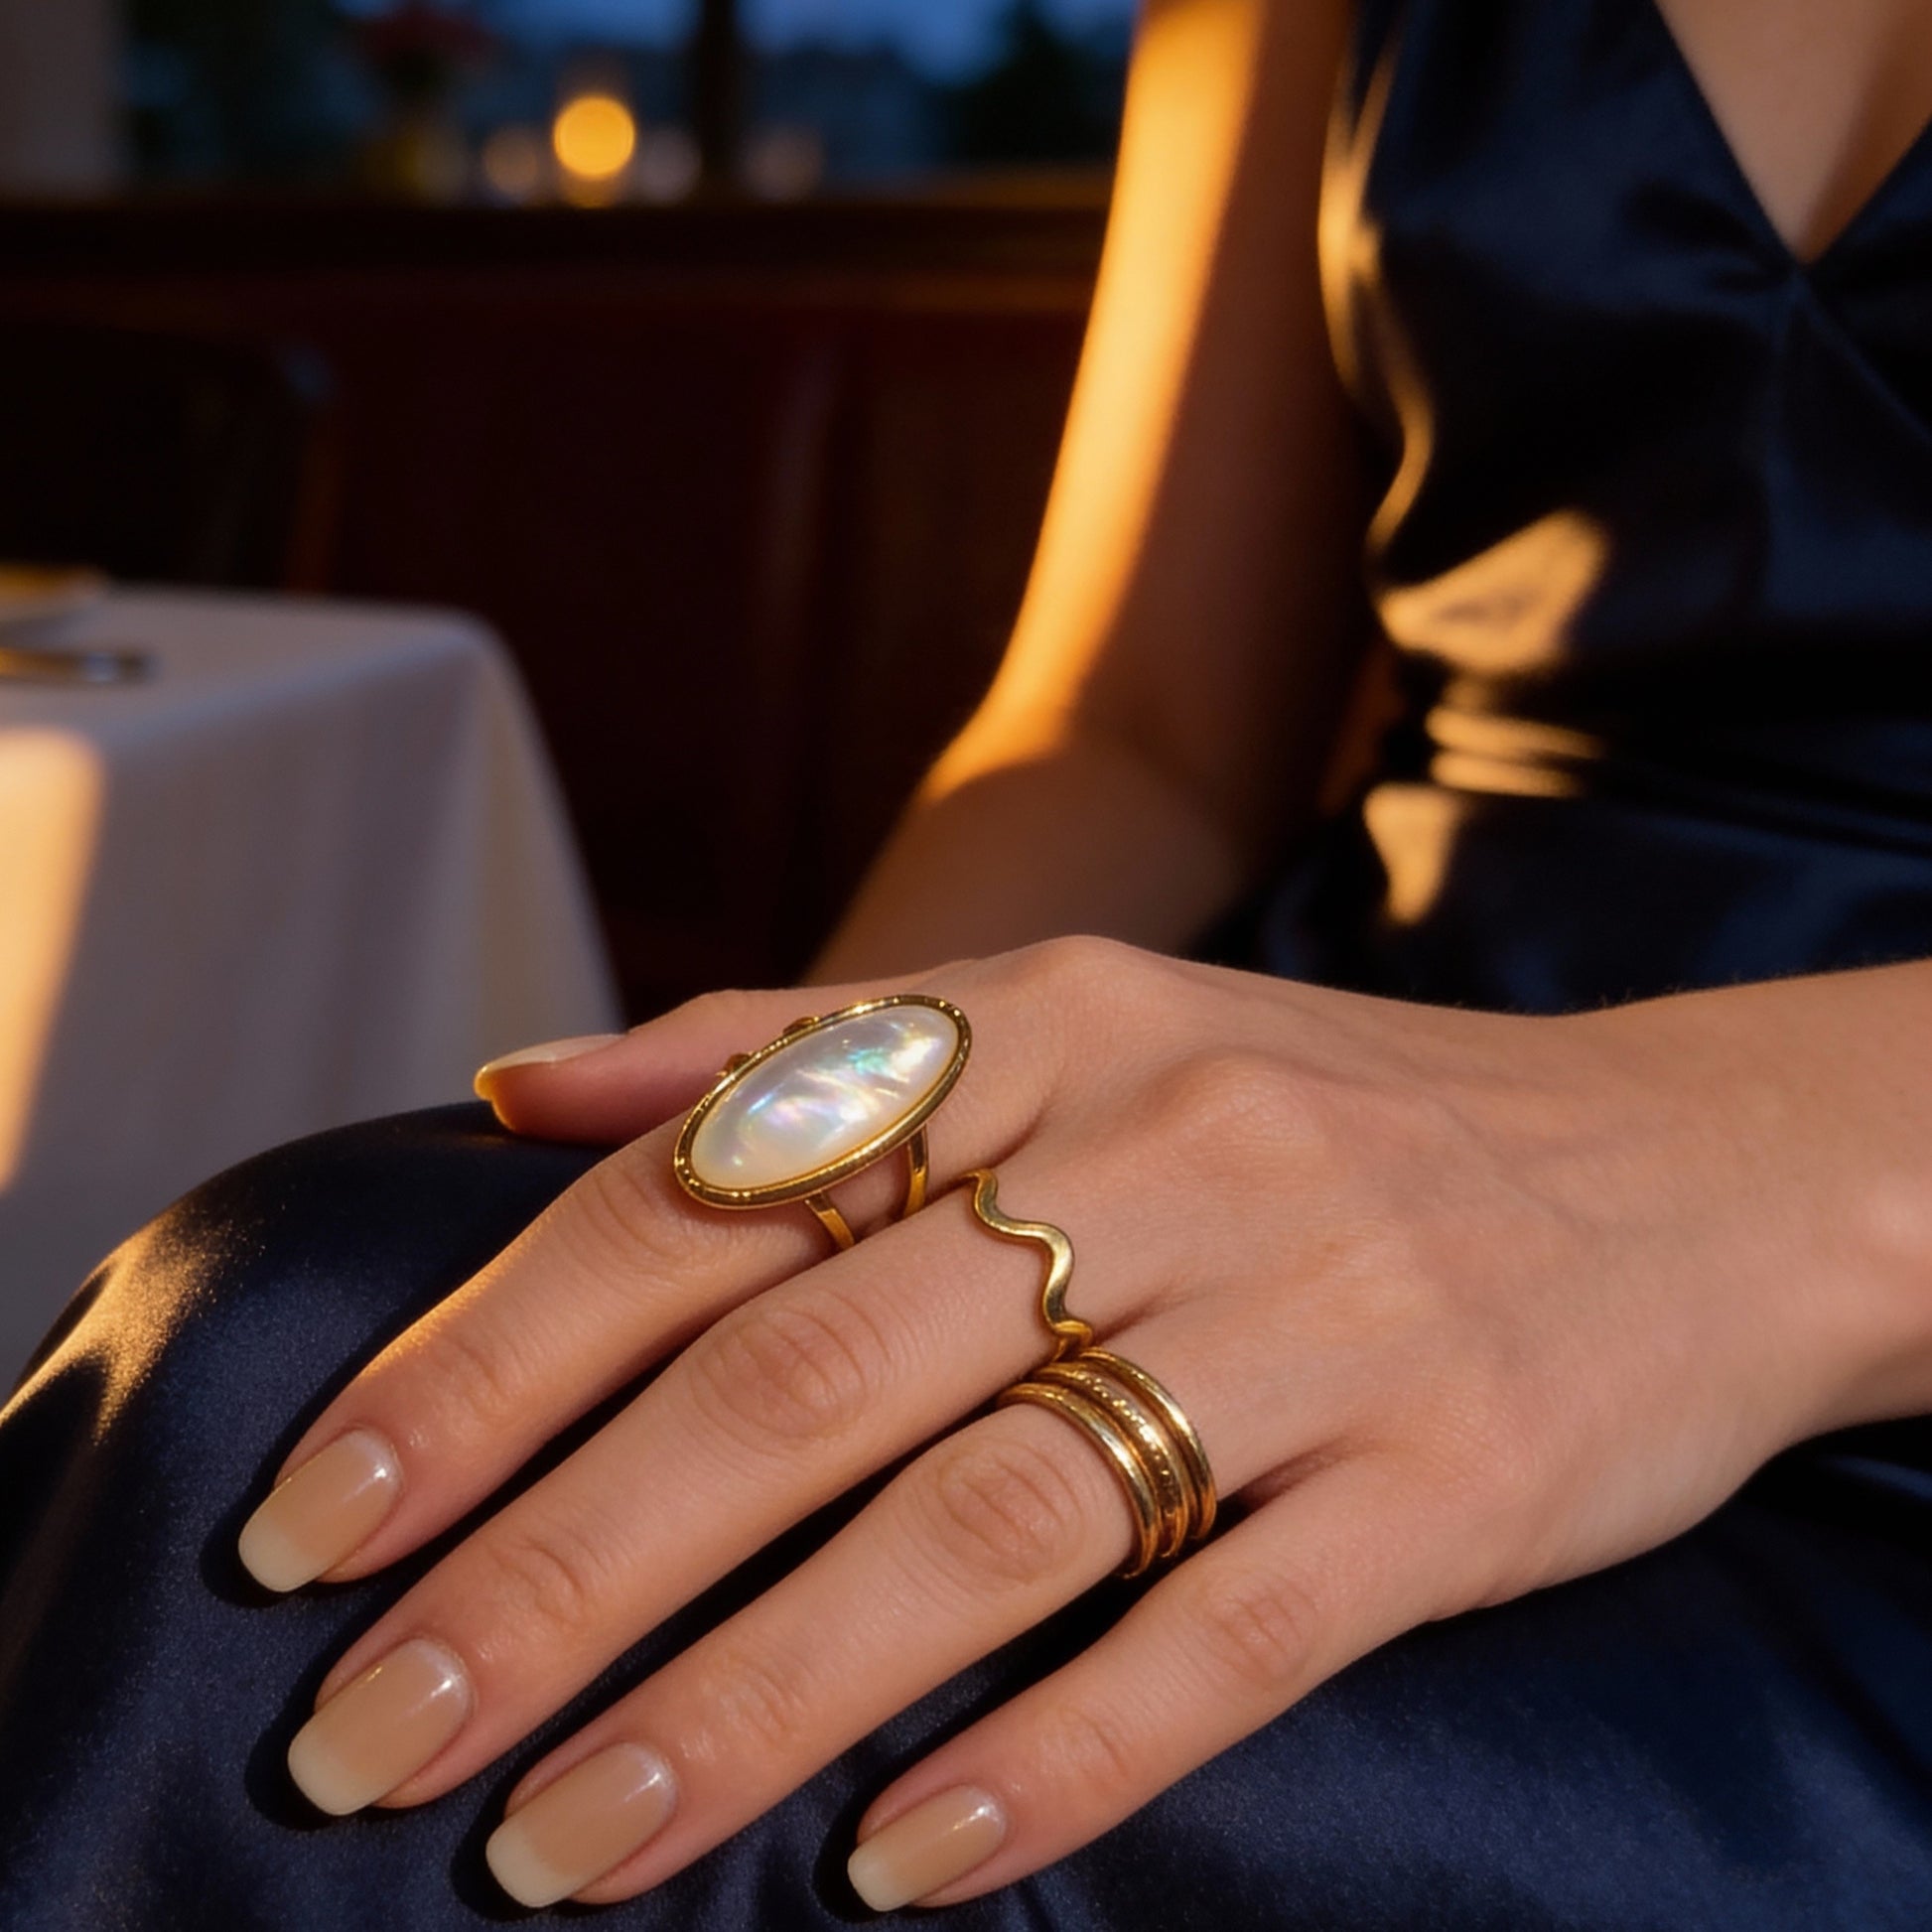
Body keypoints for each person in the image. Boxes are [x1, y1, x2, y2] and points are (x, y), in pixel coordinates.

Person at [5, 0, 1932, 1924]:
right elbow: (1136, 735)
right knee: (285, 1358)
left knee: (834, 1800)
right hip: (1270, 1135)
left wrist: (1703, 1191)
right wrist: (809, 1211)